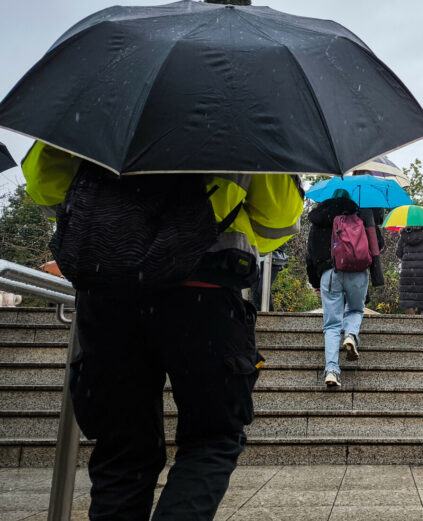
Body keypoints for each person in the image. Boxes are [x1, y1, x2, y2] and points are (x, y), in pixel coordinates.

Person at [22, 141, 304, 520]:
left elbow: (46, 187)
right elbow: (278, 219)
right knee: (212, 437)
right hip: (202, 290)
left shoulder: (98, 95)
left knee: (122, 452)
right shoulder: (246, 117)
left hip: (109, 293)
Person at [305, 189, 369, 386]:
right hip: (357, 271)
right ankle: (350, 335)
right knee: (356, 309)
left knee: (332, 324)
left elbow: (311, 254)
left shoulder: (318, 221)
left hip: (329, 273)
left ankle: (331, 369)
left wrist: (316, 281)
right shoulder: (358, 217)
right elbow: (377, 245)